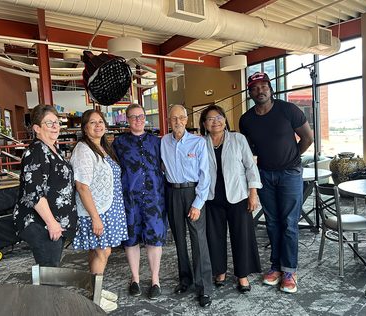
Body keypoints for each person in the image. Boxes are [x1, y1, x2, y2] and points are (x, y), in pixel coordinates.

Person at [239, 72, 314, 293]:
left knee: (289, 223)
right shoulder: (246, 119)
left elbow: (308, 138)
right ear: (250, 93)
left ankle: (289, 271)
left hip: (290, 174)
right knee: (272, 223)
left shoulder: (288, 110)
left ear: (271, 89)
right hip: (265, 175)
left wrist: (292, 160)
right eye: (255, 88)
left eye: (264, 86)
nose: (260, 91)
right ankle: (276, 267)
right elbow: (250, 148)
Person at [199, 104, 262, 294]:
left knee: (241, 236)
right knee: (214, 237)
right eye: (210, 119)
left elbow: (251, 167)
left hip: (238, 195)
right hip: (211, 198)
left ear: (225, 120)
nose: (215, 122)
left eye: (219, 117)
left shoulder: (238, 139)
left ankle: (242, 275)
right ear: (204, 124)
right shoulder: (201, 143)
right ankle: (220, 272)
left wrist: (253, 194)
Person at [70, 109, 129, 312]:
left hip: (107, 208)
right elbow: (82, 186)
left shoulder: (102, 147)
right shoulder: (84, 149)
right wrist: (95, 217)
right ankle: (95, 297)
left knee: (96, 250)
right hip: (96, 211)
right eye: (92, 122)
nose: (98, 125)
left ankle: (93, 290)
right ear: (85, 128)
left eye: (100, 121)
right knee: (103, 250)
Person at [112, 104, 167, 300]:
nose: (138, 120)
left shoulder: (156, 141)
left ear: (145, 118)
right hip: (130, 198)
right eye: (133, 117)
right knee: (131, 239)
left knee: (154, 238)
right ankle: (135, 279)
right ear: (127, 119)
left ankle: (155, 280)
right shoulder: (119, 143)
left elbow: (165, 165)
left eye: (141, 116)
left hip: (154, 197)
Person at [161, 104, 212, 308]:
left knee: (199, 241)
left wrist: (198, 203)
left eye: (181, 118)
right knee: (179, 240)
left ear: (187, 120)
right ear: (168, 121)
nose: (177, 122)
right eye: (173, 119)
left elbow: (205, 176)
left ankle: (204, 288)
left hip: (193, 193)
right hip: (172, 192)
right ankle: (185, 280)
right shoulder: (163, 142)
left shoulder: (198, 142)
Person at [14, 104, 77, 267]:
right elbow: (33, 193)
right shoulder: (36, 152)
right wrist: (51, 223)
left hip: (54, 221)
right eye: (49, 123)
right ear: (37, 128)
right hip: (42, 223)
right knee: (49, 272)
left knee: (51, 268)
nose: (55, 126)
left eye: (57, 122)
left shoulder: (52, 148)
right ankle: (47, 294)